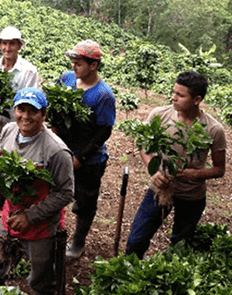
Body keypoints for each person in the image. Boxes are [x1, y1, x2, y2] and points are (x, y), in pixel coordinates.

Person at [125, 71, 226, 259]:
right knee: (136, 241)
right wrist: (154, 171)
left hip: (191, 195)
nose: (173, 98)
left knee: (180, 246)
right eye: (174, 92)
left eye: (180, 95)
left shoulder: (213, 129)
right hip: (159, 188)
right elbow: (144, 144)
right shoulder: (160, 115)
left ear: (197, 99)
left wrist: (190, 174)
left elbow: (219, 170)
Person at [0, 88, 74, 293]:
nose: (25, 116)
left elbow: (65, 193)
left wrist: (30, 216)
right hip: (8, 215)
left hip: (40, 226)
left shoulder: (56, 150)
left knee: (41, 279)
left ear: (44, 115)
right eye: (20, 109)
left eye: (33, 111)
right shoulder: (8, 131)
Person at [57, 39, 115, 260]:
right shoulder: (67, 79)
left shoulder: (103, 95)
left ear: (94, 65)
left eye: (79, 63)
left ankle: (78, 242)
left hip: (89, 159)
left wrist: (81, 157)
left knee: (85, 201)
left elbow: (104, 131)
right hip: (63, 150)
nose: (74, 67)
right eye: (73, 62)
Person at [0, 26, 41, 142]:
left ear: (19, 46)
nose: (7, 48)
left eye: (12, 44)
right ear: (0, 45)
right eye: (4, 43)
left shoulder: (29, 71)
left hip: (16, 129)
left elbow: (30, 103)